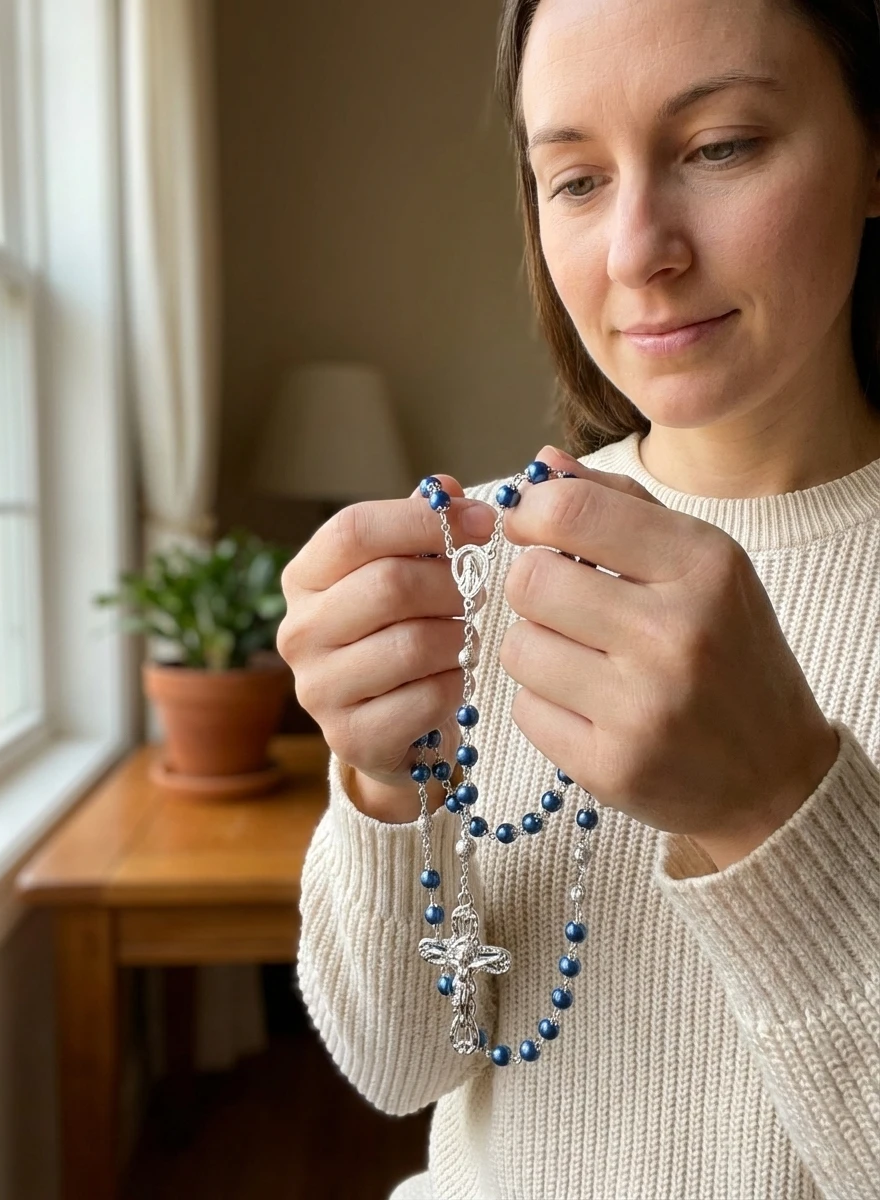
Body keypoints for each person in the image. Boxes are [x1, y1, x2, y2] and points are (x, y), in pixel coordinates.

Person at [276, 0, 880, 1196]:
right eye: (575, 178)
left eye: (720, 147)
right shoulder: (476, 569)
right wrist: (386, 795)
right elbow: (401, 1062)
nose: (635, 251)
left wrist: (774, 804)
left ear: (870, 150)